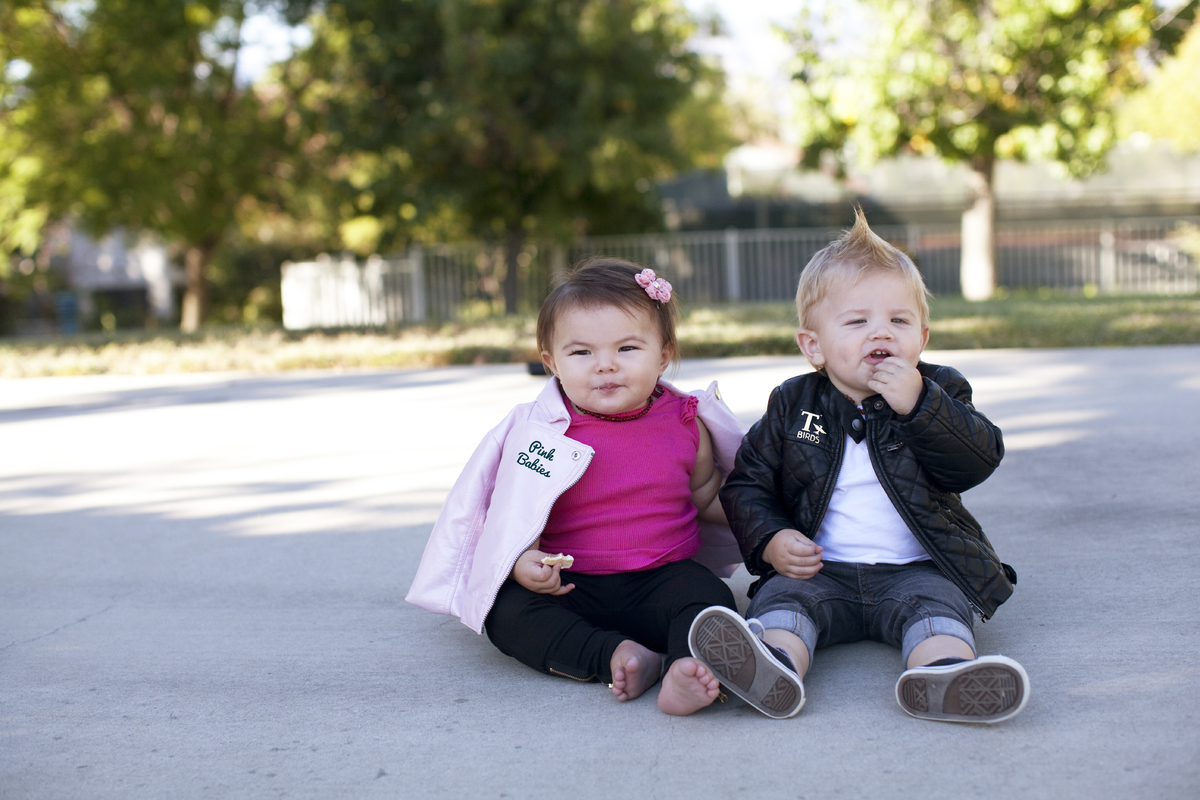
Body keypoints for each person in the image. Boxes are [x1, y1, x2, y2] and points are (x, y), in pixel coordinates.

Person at [690, 208, 1029, 723]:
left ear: (923, 338)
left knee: (938, 612)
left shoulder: (941, 392)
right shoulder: (792, 403)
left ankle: (945, 677)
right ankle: (772, 666)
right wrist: (772, 539)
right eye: (857, 321)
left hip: (919, 569)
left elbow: (976, 462)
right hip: (819, 571)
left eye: (899, 321)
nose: (882, 334)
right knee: (784, 603)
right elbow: (748, 483)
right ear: (814, 347)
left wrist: (921, 407)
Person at [406, 257, 746, 715]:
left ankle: (687, 670)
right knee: (505, 615)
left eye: (627, 349)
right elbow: (511, 512)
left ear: (664, 353)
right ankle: (618, 657)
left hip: (662, 580)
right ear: (552, 362)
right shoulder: (539, 432)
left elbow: (707, 496)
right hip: (569, 586)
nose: (604, 366)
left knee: (710, 600)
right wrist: (523, 561)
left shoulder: (685, 422)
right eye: (581, 353)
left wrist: (769, 518)